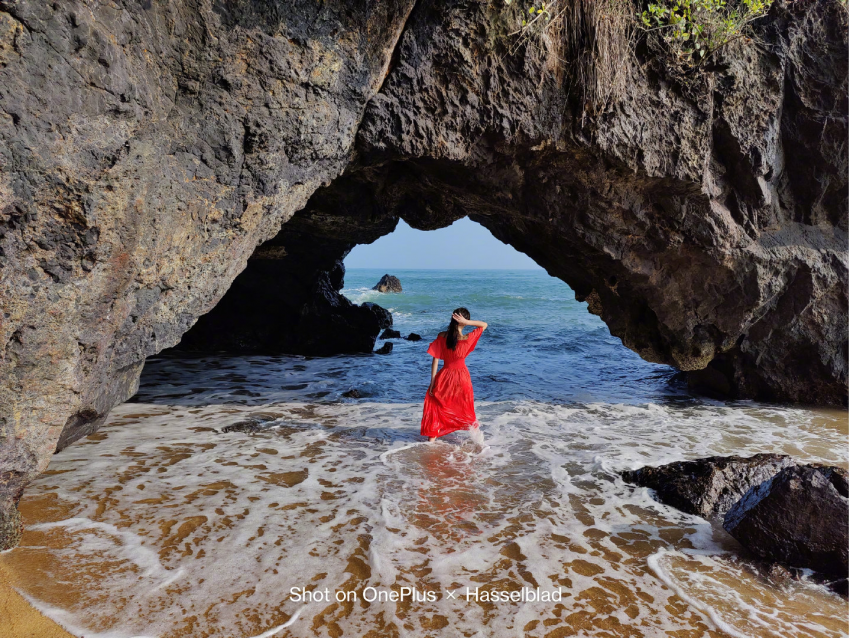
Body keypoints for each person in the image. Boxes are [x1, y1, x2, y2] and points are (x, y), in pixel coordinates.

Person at [420, 308, 488, 442]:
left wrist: (433, 382)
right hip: (462, 377)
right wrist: (467, 322)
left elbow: (435, 359)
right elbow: (484, 324)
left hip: (445, 375)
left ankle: (430, 444)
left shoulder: (442, 336)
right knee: (466, 407)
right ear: (463, 321)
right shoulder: (467, 338)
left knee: (437, 406)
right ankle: (479, 442)